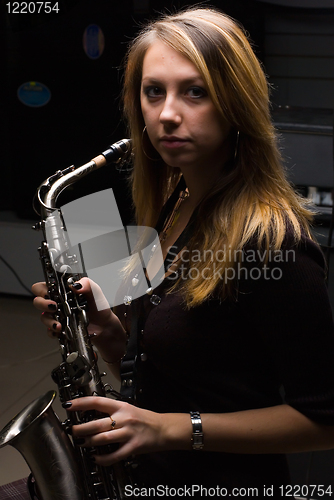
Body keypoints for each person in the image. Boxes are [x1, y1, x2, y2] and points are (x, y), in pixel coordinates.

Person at [32, 7, 334, 498]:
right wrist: (108, 332)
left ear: (236, 103)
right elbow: (177, 377)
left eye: (196, 91)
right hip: (148, 473)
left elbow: (324, 422)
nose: (167, 113)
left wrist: (171, 430)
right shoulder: (173, 203)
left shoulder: (274, 246)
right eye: (154, 91)